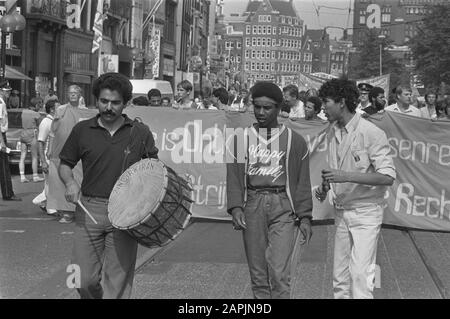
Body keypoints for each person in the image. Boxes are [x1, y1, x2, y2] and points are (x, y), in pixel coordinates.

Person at [58, 72, 158, 299]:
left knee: (117, 283)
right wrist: (70, 183)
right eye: (104, 101)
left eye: (115, 103)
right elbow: (65, 164)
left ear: (126, 103)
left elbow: (153, 169)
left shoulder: (140, 132)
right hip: (89, 209)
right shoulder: (82, 130)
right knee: (80, 278)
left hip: (126, 213)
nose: (109, 107)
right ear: (96, 100)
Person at [227, 81, 313, 299]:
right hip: (253, 203)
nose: (261, 112)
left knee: (279, 273)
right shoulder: (239, 138)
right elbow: (235, 177)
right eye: (257, 107)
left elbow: (302, 180)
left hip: (282, 206)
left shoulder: (295, 140)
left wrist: (305, 217)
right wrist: (236, 207)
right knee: (258, 275)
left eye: (268, 107)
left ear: (278, 108)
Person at [315, 78, 396, 299]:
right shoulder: (332, 131)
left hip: (366, 213)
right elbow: (336, 170)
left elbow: (388, 176)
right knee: (340, 279)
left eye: (326, 101)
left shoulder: (371, 132)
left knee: (360, 276)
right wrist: (326, 187)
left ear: (341, 102)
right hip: (341, 211)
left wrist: (344, 176)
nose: (323, 107)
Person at [47, 85, 96, 224]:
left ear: (80, 94)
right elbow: (53, 131)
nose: (73, 95)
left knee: (78, 180)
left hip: (80, 153)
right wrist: (49, 149)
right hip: (60, 152)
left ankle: (79, 210)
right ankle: (67, 212)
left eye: (75, 93)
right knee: (59, 181)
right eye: (70, 93)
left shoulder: (87, 112)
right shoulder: (61, 110)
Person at [32, 100, 57, 215]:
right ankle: (50, 208)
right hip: (48, 158)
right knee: (50, 183)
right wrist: (43, 161)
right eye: (58, 107)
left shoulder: (55, 121)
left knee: (51, 183)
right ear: (52, 109)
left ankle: (40, 201)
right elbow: (40, 142)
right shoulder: (46, 122)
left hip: (55, 158)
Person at [0, 83, 21, 201]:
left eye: (9, 91)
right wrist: (2, 142)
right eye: (6, 91)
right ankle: (8, 193)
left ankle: (8, 192)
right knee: (4, 166)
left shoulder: (3, 103)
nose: (8, 93)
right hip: (1, 135)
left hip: (2, 135)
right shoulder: (0, 103)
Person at [19, 99, 44, 183]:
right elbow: (40, 125)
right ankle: (35, 176)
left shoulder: (24, 111)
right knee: (34, 156)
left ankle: (22, 176)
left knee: (22, 156)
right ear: (36, 105)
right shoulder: (36, 114)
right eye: (38, 104)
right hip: (32, 133)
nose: (39, 106)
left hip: (23, 133)